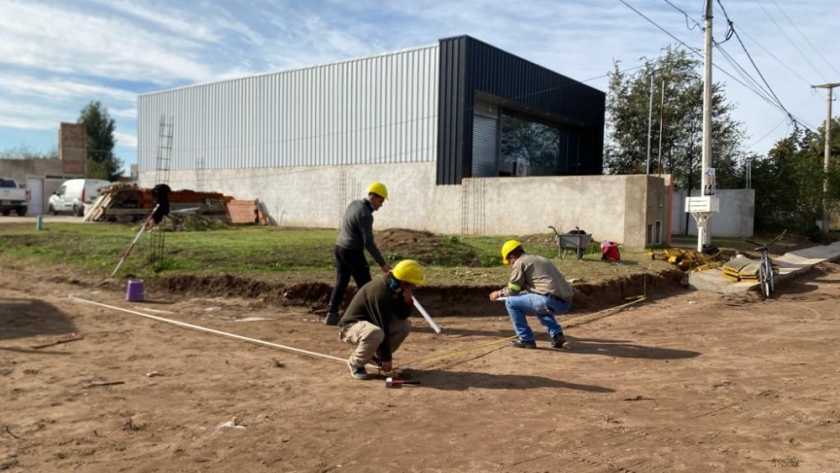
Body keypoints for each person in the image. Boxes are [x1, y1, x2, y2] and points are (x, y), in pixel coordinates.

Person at [338, 259, 426, 380]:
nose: (414, 287)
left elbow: (401, 316)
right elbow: (382, 324)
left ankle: (375, 356)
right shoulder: (381, 293)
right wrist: (386, 358)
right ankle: (356, 364)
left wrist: (407, 302)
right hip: (350, 327)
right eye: (412, 283)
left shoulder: (396, 287)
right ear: (403, 282)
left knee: (404, 325)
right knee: (376, 333)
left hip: (371, 324)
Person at [324, 182, 392, 325]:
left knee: (341, 282)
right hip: (352, 251)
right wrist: (383, 264)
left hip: (340, 248)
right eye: (380, 201)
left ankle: (332, 314)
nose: (381, 205)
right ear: (372, 197)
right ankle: (371, 318)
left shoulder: (354, 204)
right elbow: (368, 242)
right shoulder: (366, 215)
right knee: (367, 286)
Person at [489, 240, 574, 349]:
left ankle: (526, 339)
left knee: (511, 302)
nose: (511, 263)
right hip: (565, 302)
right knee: (535, 303)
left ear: (512, 256)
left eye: (510, 261)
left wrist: (499, 293)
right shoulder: (540, 259)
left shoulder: (520, 262)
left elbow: (513, 289)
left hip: (549, 300)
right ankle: (556, 334)